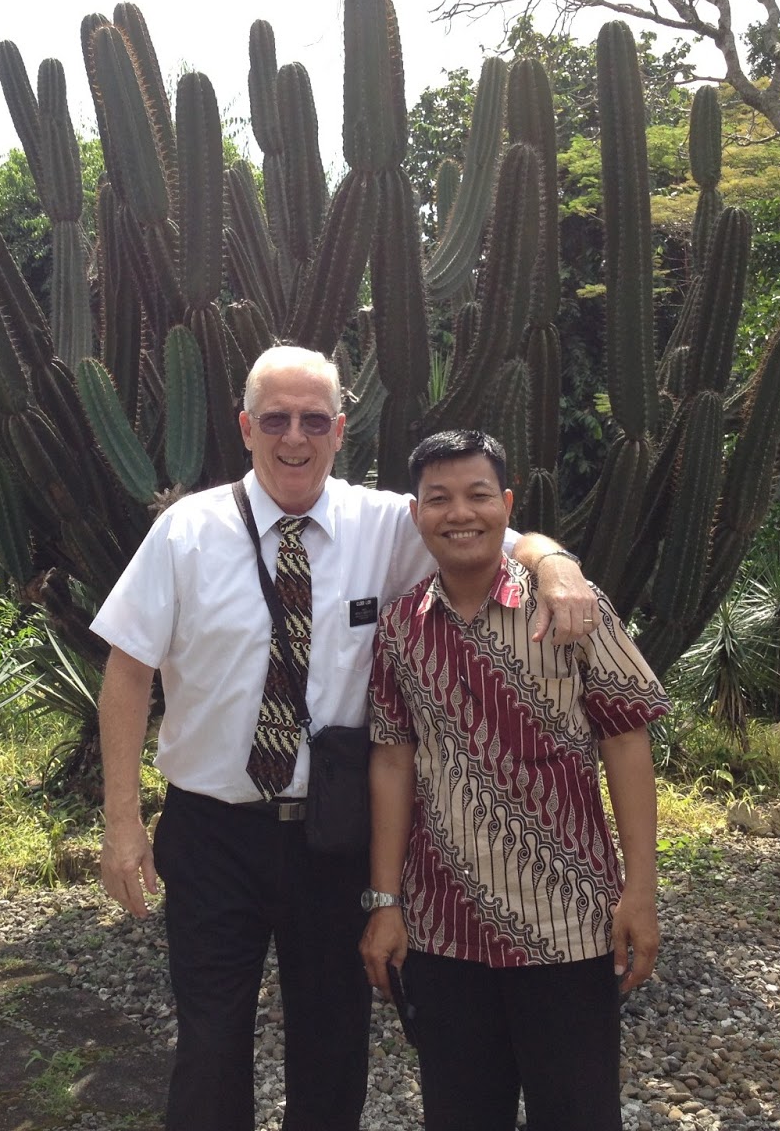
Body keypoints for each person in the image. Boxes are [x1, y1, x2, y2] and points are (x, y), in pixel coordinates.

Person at [91, 347, 599, 1131]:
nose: (294, 437)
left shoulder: (383, 525)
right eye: (276, 420)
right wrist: (122, 822)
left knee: (332, 1044)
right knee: (210, 1043)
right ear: (246, 429)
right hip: (212, 832)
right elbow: (128, 672)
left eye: (313, 420)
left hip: (332, 838)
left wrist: (556, 564)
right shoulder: (186, 532)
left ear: (340, 430)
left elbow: (489, 529)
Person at [358, 429, 670, 1131]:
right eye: (439, 499)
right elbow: (392, 759)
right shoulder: (401, 629)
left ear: (506, 503)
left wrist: (641, 892)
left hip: (567, 923)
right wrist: (385, 901)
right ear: (415, 513)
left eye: (477, 495)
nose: (459, 514)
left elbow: (626, 740)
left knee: (578, 1115)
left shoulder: (570, 610)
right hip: (442, 928)